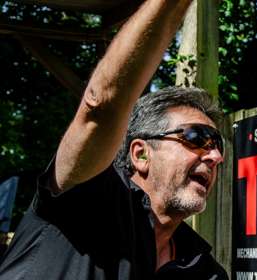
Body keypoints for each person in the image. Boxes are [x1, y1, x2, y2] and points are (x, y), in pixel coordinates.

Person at [0, 1, 227, 279]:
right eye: (197, 137)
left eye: (218, 145)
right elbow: (101, 105)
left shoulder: (205, 271)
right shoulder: (85, 198)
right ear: (141, 154)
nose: (216, 156)